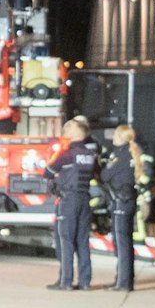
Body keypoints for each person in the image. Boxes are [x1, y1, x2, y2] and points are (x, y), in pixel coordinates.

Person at [45, 117, 100, 291]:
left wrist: (55, 180)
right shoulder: (90, 155)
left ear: (75, 132)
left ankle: (66, 281)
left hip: (68, 199)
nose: (65, 133)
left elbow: (47, 172)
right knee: (83, 242)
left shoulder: (67, 154)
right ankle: (85, 282)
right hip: (84, 199)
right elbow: (97, 174)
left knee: (66, 240)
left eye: (68, 130)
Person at [99, 124, 144, 291]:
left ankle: (123, 283)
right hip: (128, 200)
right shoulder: (133, 153)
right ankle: (124, 280)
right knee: (125, 243)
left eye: (116, 135)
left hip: (120, 201)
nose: (113, 138)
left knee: (121, 243)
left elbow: (105, 175)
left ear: (120, 138)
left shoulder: (120, 155)